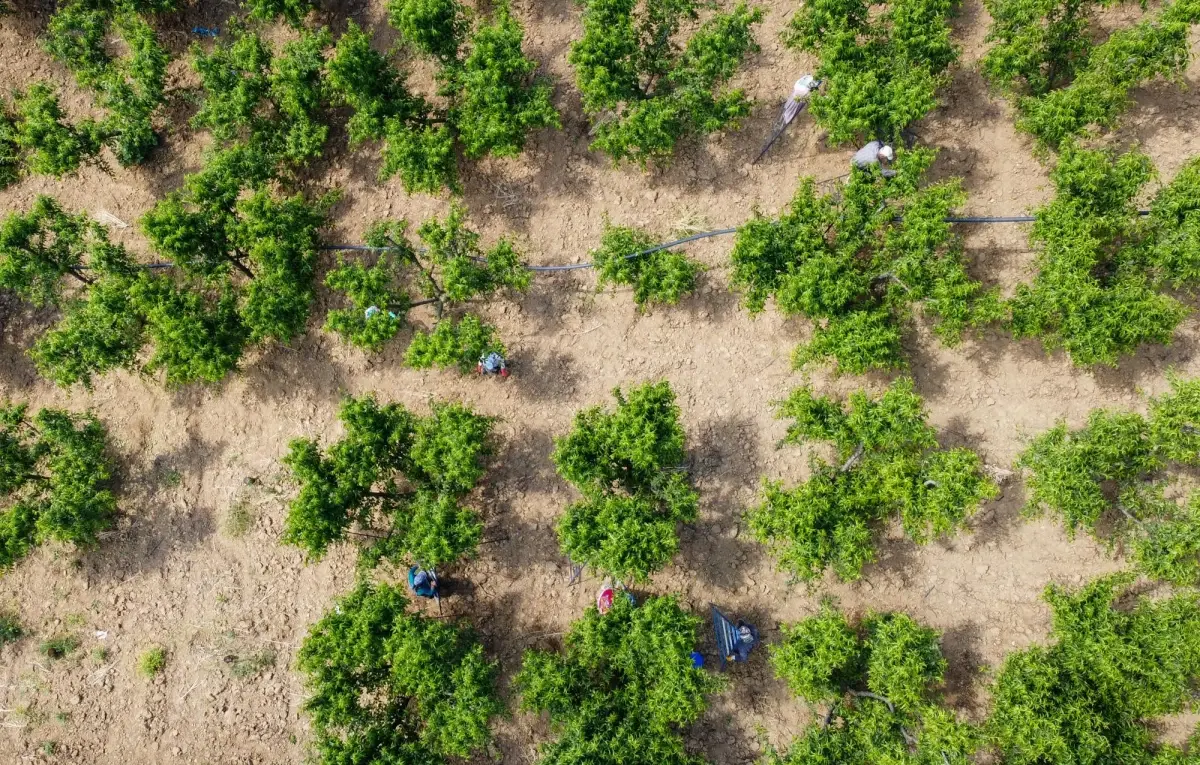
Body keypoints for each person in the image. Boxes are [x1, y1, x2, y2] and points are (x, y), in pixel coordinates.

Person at [754, 75, 820, 164]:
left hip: (789, 104)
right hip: (792, 107)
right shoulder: (804, 90)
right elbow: (807, 96)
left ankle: (773, 140)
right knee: (781, 126)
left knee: (780, 123)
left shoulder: (805, 80)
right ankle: (772, 145)